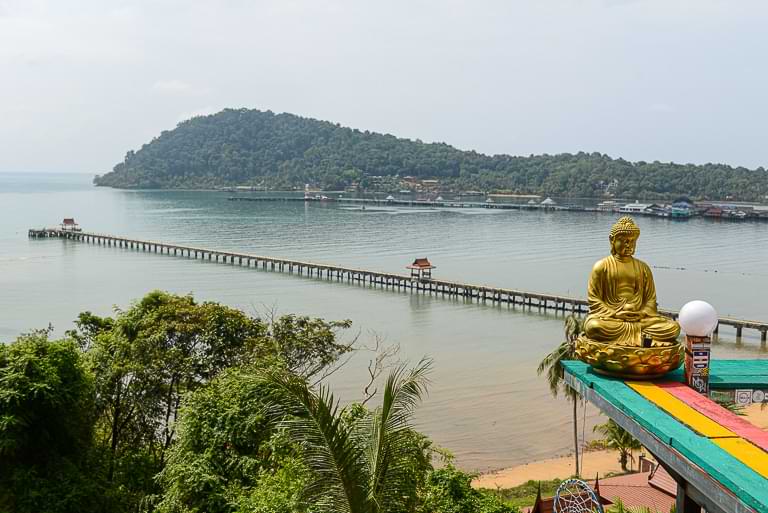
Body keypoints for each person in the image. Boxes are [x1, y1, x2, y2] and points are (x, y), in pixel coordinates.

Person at [582, 216, 680, 347]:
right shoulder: (602, 266)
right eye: (624, 241)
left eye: (632, 241)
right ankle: (642, 340)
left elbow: (651, 300)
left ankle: (630, 339)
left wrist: (642, 313)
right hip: (612, 319)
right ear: (612, 240)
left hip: (640, 319)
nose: (629, 245)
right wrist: (615, 314)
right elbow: (594, 299)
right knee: (594, 327)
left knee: (673, 327)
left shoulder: (643, 267)